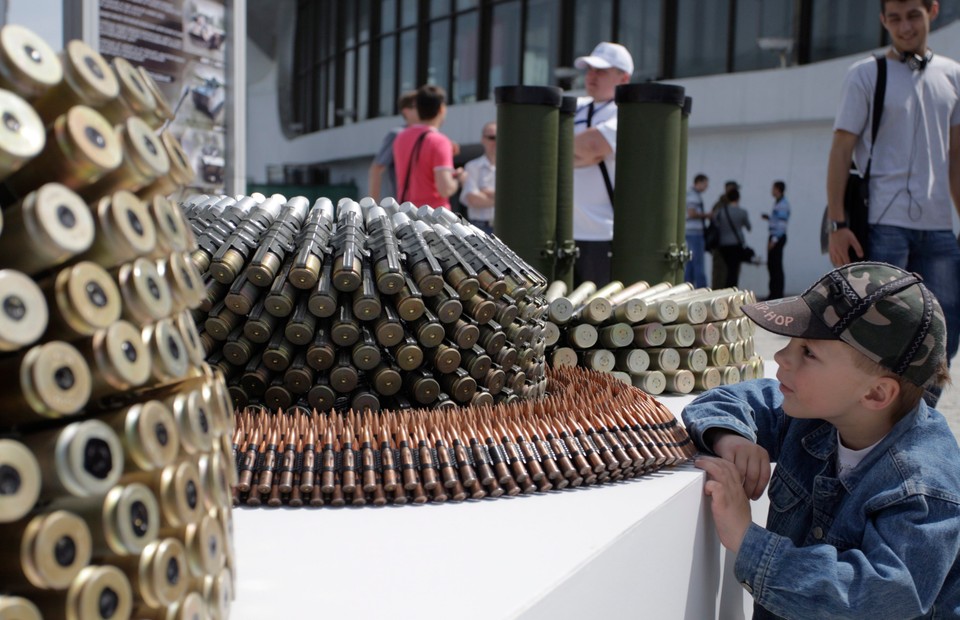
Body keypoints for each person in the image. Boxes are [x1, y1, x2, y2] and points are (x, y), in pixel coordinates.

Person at [682, 261, 959, 619]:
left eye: (808, 352)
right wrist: (731, 438)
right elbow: (724, 401)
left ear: (876, 394)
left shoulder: (924, 488)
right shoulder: (818, 414)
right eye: (789, 344)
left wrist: (745, 539)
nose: (781, 357)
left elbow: (877, 597)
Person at [825, 0, 960, 398]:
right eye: (895, 18)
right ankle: (879, 418)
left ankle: (922, 416)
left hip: (938, 228)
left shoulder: (952, 74)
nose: (905, 26)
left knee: (945, 327)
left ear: (932, 11)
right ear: (883, 20)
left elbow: (956, 159)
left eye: (913, 15)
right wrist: (838, 224)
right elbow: (841, 148)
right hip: (884, 225)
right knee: (879, 329)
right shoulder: (866, 74)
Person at [571, 41, 633, 287]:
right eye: (589, 69)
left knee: (598, 314)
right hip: (564, 234)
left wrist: (565, 154)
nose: (591, 76)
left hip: (603, 235)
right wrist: (581, 154)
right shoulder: (576, 106)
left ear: (624, 78)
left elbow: (594, 147)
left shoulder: (625, 112)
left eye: (601, 71)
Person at [393, 84, 465, 210]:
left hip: (406, 214)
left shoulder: (400, 137)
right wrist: (459, 179)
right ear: (442, 109)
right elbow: (445, 189)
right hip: (433, 218)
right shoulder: (439, 141)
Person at [367, 90, 418, 202]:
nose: (423, 109)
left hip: (432, 208)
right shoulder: (398, 134)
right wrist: (372, 207)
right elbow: (376, 169)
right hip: (406, 208)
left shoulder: (431, 135)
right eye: (418, 106)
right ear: (406, 111)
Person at [461, 121, 497, 235]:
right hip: (479, 227)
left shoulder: (511, 167)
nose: (496, 141)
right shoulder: (472, 166)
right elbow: (473, 199)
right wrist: (502, 199)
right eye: (492, 137)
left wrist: (485, 193)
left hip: (505, 227)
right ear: (483, 139)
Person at [713, 187, 751, 288]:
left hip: (723, 244)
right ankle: (732, 289)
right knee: (734, 270)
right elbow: (748, 227)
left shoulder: (721, 212)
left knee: (725, 269)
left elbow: (715, 224)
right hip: (736, 244)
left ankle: (725, 288)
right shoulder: (742, 212)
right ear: (738, 198)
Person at [762, 180, 790, 299]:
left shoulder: (782, 204)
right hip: (776, 236)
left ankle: (776, 294)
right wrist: (769, 218)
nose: (771, 191)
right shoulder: (778, 203)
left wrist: (774, 240)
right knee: (772, 265)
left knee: (775, 266)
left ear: (778, 189)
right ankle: (774, 293)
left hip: (777, 238)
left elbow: (782, 225)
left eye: (773, 188)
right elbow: (778, 220)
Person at [710, 180, 739, 289]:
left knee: (729, 271)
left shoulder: (724, 204)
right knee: (719, 271)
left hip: (727, 244)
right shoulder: (721, 205)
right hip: (720, 244)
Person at [683, 174, 710, 288]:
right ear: (698, 182)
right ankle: (701, 287)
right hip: (695, 233)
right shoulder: (693, 196)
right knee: (698, 262)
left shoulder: (692, 194)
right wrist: (707, 215)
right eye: (705, 184)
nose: (706, 187)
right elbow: (692, 213)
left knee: (691, 262)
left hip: (690, 232)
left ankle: (688, 286)